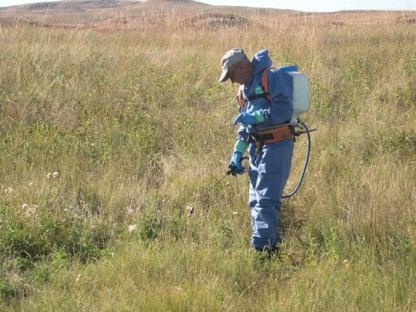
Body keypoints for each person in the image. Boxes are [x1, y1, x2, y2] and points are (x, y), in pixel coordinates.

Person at [219, 48, 294, 255]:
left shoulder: (272, 77)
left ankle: (264, 252)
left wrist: (256, 117)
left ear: (242, 66)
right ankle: (267, 245)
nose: (232, 82)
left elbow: (283, 111)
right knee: (255, 200)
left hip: (277, 145)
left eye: (232, 76)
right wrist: (237, 154)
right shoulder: (243, 91)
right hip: (256, 149)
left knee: (265, 200)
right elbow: (244, 129)